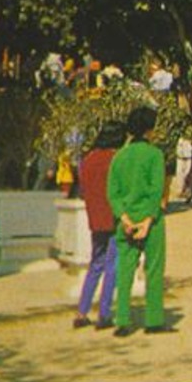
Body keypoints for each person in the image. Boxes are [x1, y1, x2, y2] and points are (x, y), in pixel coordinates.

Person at [108, 106, 173, 335]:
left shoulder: (119, 156)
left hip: (125, 218)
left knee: (124, 269)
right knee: (153, 268)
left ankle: (122, 319)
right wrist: (147, 221)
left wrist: (124, 217)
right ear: (149, 129)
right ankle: (153, 319)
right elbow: (157, 191)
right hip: (151, 220)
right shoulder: (155, 155)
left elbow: (112, 192)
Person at [73, 125, 124, 330]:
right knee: (112, 266)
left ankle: (82, 311)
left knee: (96, 264)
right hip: (112, 217)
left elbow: (83, 190)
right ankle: (104, 313)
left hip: (95, 218)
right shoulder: (115, 160)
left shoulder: (87, 160)